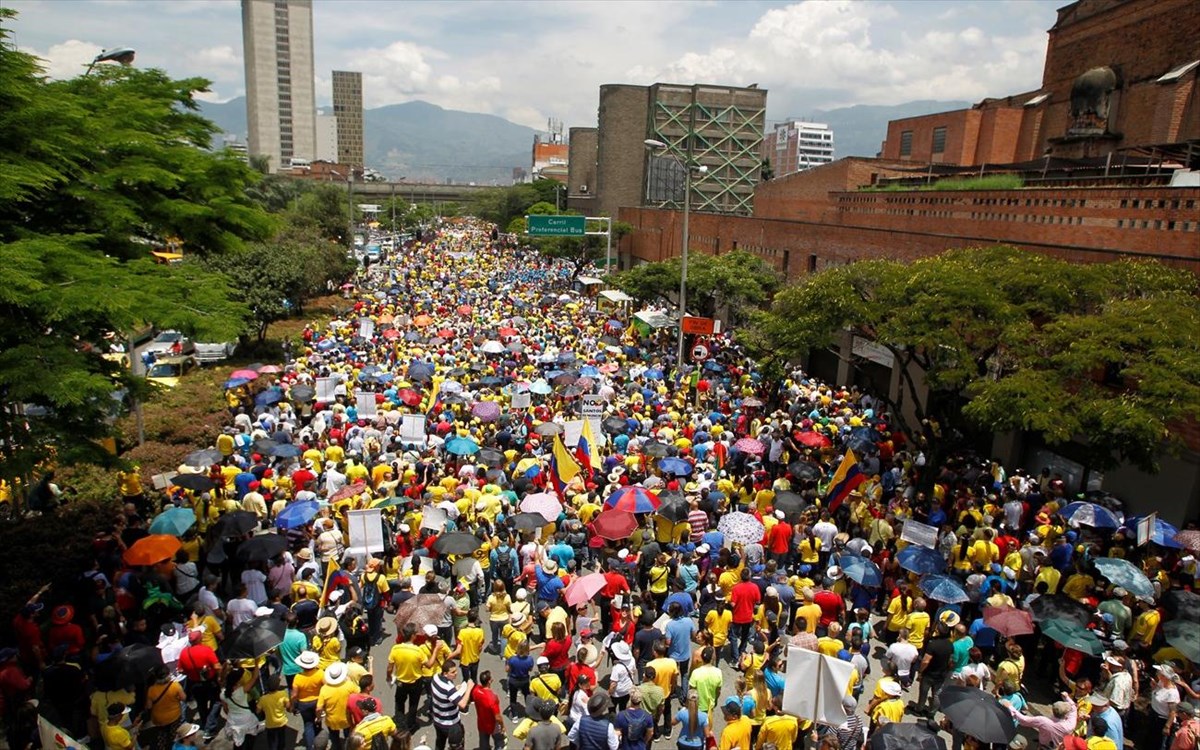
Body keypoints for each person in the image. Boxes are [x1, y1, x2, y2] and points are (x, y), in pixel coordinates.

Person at [429, 660, 474, 750]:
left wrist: (455, 690)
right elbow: (462, 704)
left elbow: (444, 695)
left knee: (440, 743)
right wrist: (469, 688)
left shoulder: (435, 678)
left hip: (438, 720)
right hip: (451, 724)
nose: (456, 673)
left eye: (456, 671)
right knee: (457, 746)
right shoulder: (448, 688)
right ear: (445, 673)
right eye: (452, 672)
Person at [471, 670, 504, 750]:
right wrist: (502, 726)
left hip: (481, 722)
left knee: (483, 742)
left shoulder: (476, 690)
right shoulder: (492, 698)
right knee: (499, 741)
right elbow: (497, 717)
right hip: (492, 724)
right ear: (489, 681)